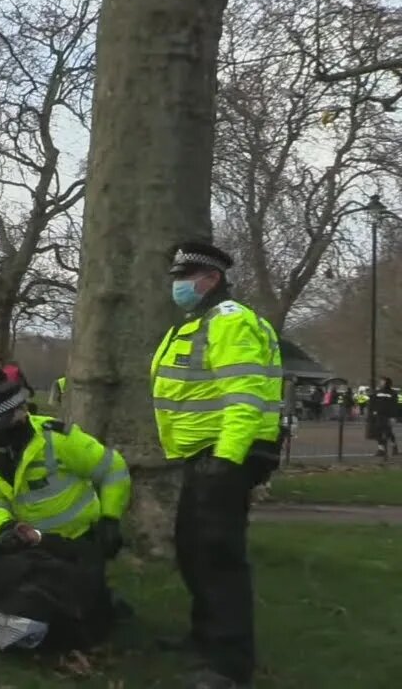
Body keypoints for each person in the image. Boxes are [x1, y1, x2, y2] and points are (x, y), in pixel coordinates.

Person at [152, 241, 282, 689]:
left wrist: (227, 459)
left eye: (183, 277)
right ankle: (205, 637)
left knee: (219, 556)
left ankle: (228, 665)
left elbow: (243, 396)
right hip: (204, 455)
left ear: (210, 279)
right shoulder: (200, 322)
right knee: (195, 550)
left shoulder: (228, 322)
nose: (177, 285)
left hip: (223, 455)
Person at [0, 380, 131, 654]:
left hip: (77, 544)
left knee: (88, 624)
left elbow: (113, 469)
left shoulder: (56, 438)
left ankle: (102, 599)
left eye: (16, 414)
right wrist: (6, 526)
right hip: (30, 546)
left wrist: (110, 519)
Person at [369, 377, 398, 457]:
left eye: (382, 381)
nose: (381, 382)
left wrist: (393, 417)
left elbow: (394, 405)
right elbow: (373, 402)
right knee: (378, 431)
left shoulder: (393, 393)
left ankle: (394, 446)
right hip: (379, 415)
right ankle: (381, 449)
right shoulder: (377, 392)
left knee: (388, 432)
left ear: (386, 382)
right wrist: (373, 412)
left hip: (388, 416)